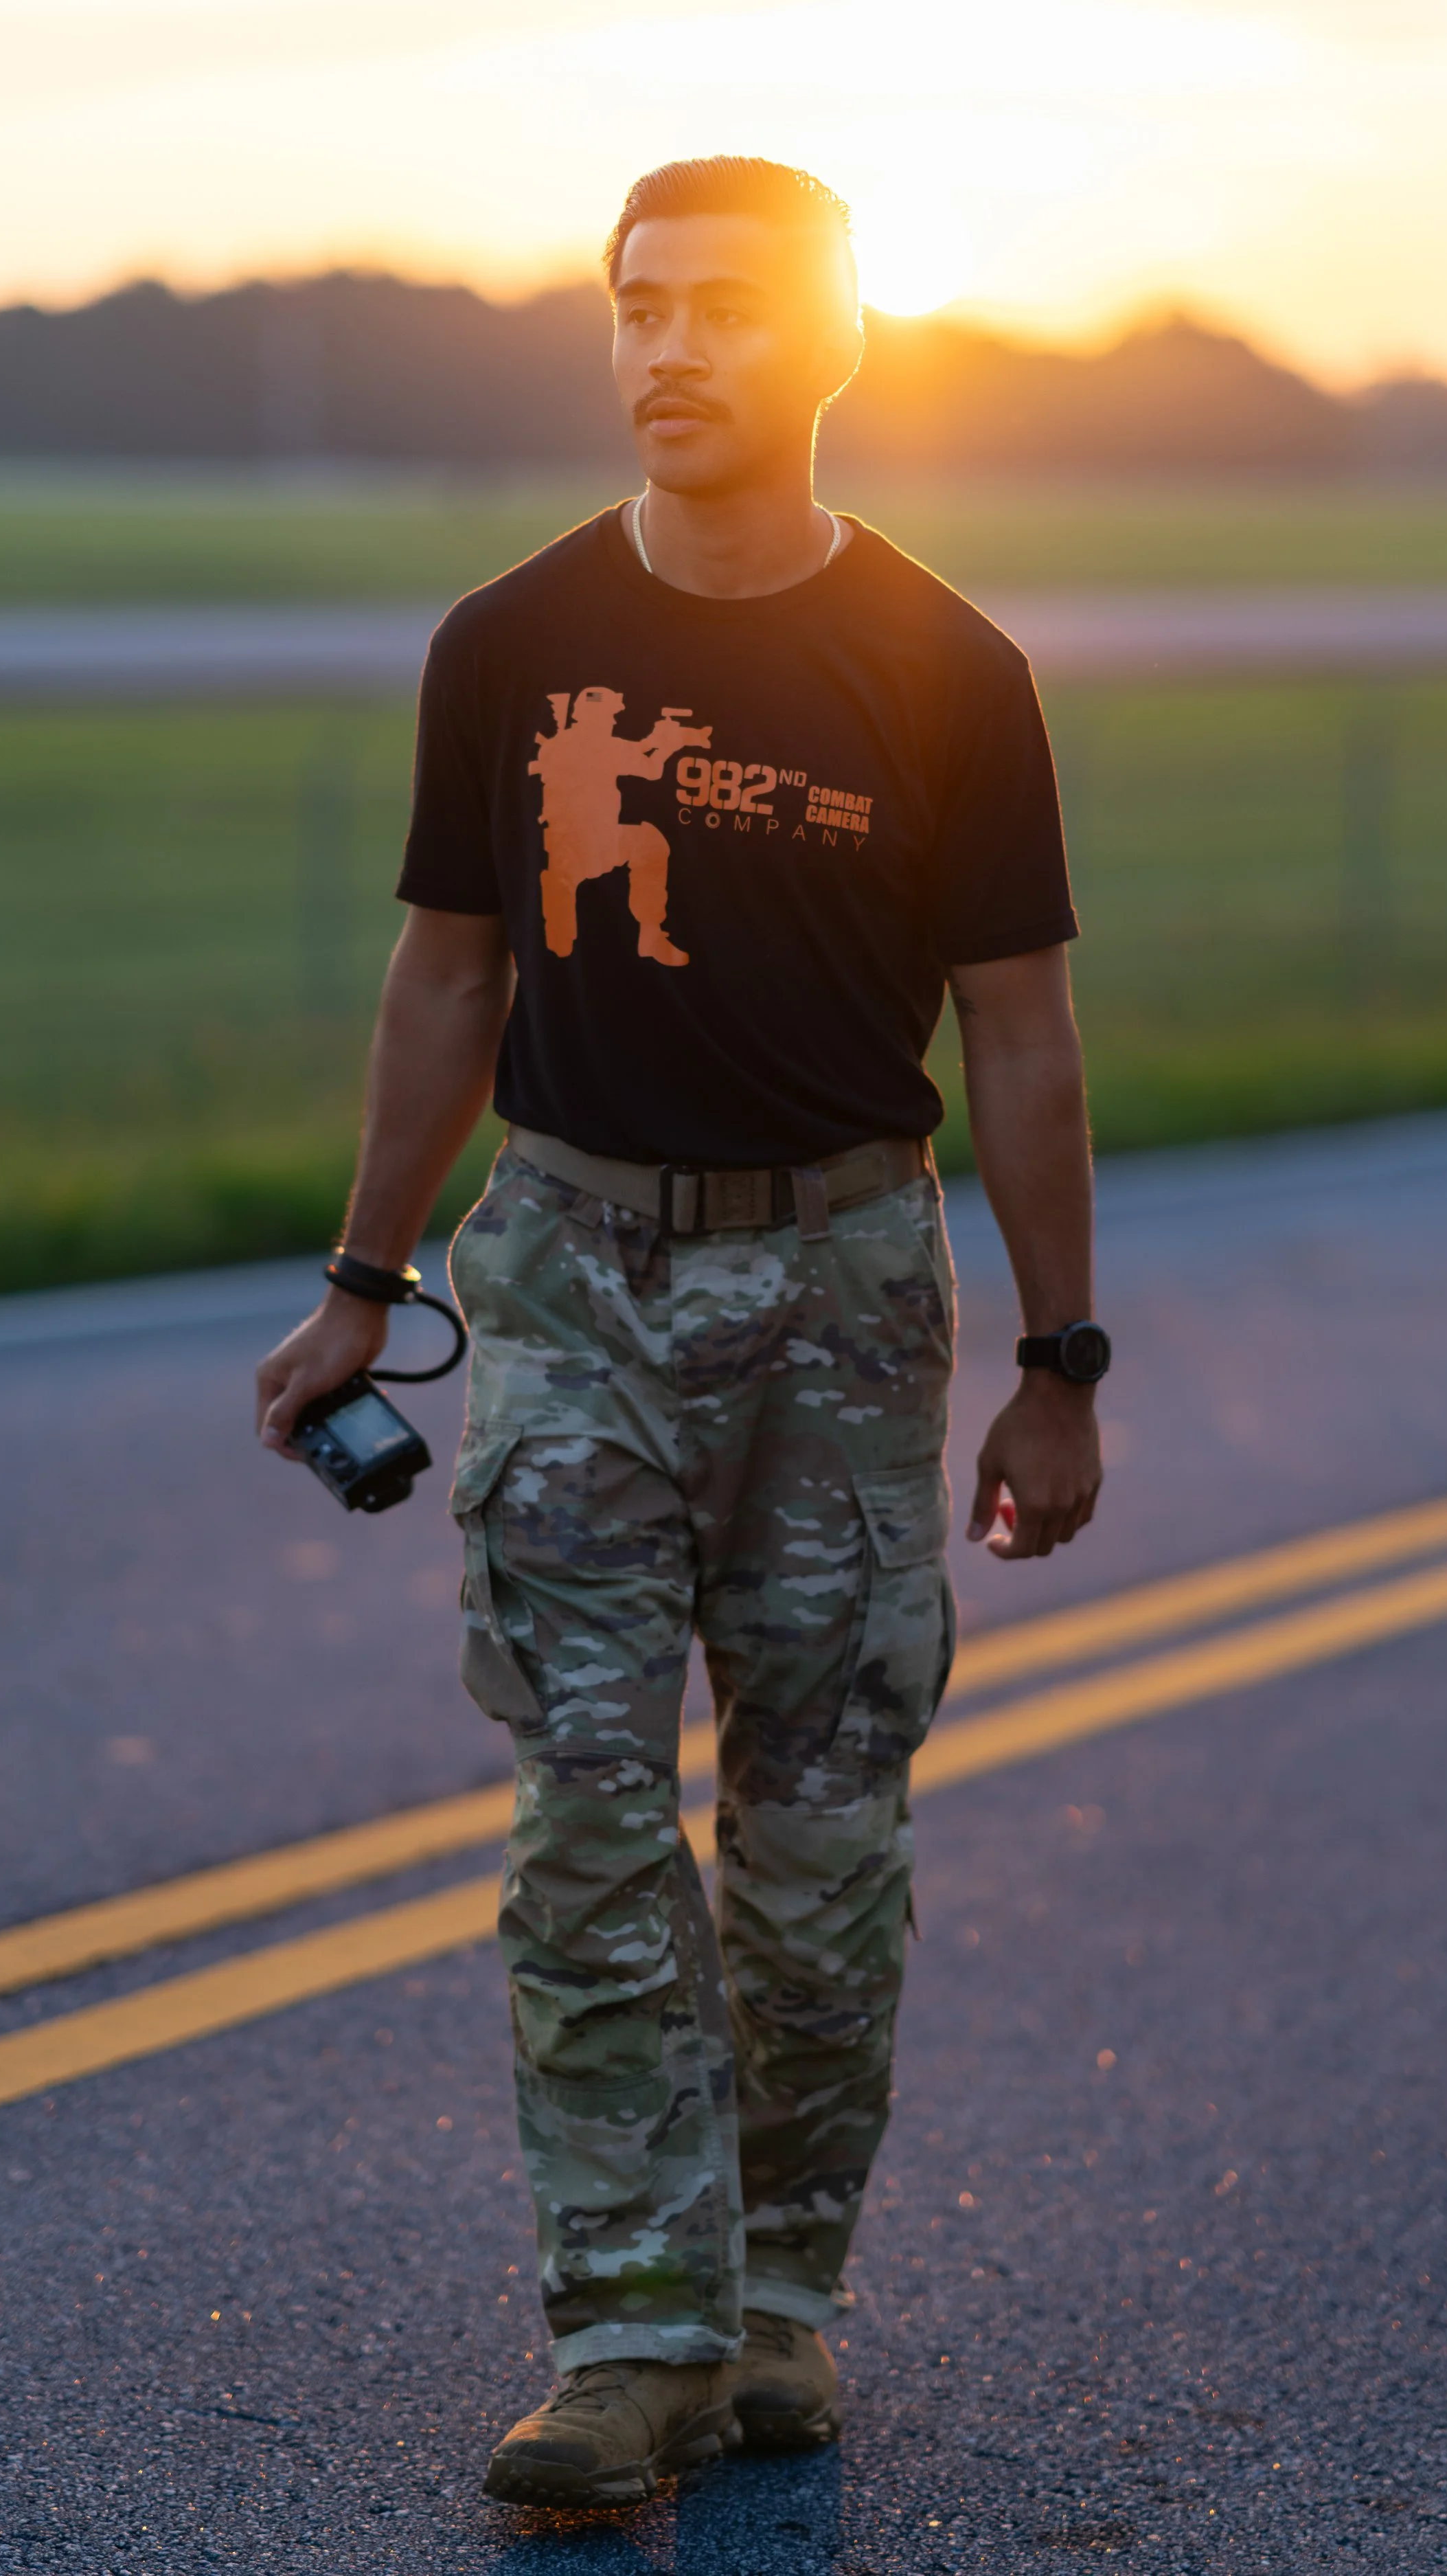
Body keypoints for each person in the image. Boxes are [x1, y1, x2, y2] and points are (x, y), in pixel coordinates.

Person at [254, 154, 1105, 2511]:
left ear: (835, 339)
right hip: (562, 1279)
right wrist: (361, 1275)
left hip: (842, 1290)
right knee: (585, 1817)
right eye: (636, 305)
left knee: (822, 1840)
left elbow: (1017, 1035)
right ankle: (628, 2333)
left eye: (725, 306)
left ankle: (775, 2303)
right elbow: (450, 976)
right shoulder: (507, 641)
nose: (670, 348)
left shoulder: (949, 668)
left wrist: (1064, 1354)